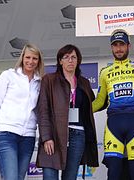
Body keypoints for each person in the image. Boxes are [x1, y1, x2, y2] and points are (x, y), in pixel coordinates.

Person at [92, 29, 134, 180]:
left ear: (128, 46)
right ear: (111, 48)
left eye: (122, 44)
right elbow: (99, 101)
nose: (118, 48)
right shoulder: (105, 72)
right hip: (114, 123)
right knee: (113, 173)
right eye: (115, 45)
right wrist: (74, 109)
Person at [36, 44, 99, 180]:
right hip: (55, 134)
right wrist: (47, 137)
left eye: (73, 57)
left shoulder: (84, 83)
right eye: (66, 57)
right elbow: (43, 110)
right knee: (50, 176)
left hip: (78, 134)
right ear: (60, 61)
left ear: (78, 60)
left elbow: (90, 107)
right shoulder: (49, 80)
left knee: (70, 177)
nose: (70, 60)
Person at [0, 43, 44, 180]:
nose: (31, 61)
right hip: (6, 134)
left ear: (39, 61)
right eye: (28, 57)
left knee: (18, 177)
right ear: (22, 58)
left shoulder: (39, 82)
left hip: (28, 137)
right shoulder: (8, 75)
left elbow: (39, 111)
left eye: (35, 58)